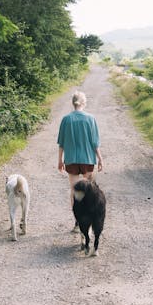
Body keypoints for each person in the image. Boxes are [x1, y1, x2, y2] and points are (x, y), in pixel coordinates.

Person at [57, 91, 103, 231]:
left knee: (74, 191)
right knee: (89, 191)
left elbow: (62, 143)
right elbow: (95, 143)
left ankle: (77, 223)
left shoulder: (66, 119)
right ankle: (88, 222)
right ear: (84, 103)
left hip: (71, 159)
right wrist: (100, 159)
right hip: (88, 159)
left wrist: (60, 160)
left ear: (73, 103)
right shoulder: (90, 119)